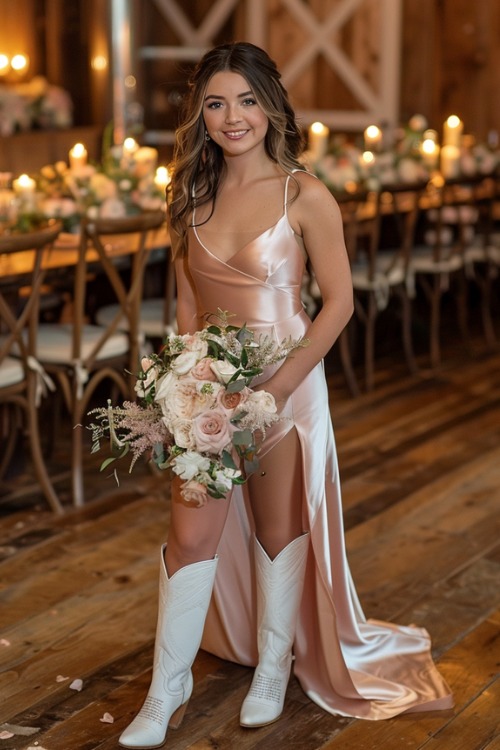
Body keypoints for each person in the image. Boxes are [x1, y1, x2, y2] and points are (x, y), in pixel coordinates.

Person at [119, 41, 453, 749]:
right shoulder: (189, 197)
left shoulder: (307, 195)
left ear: (270, 107)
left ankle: (274, 666)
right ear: (200, 115)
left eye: (245, 100)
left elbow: (338, 306)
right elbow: (185, 310)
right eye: (215, 102)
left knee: (278, 529)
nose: (231, 117)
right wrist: (178, 387)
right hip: (206, 394)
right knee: (188, 535)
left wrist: (271, 390)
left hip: (285, 389)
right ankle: (164, 693)